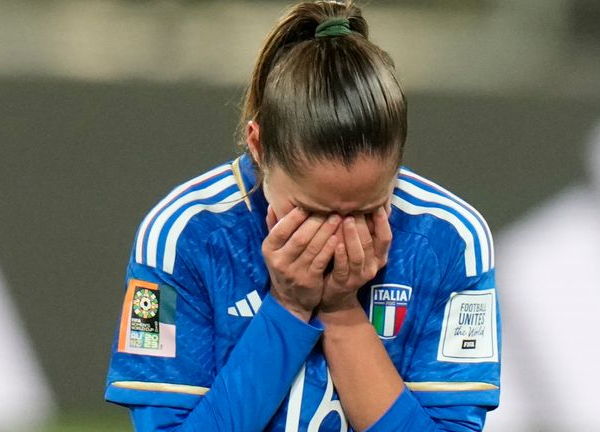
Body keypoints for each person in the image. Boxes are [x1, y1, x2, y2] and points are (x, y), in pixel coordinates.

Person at [104, 1, 500, 430]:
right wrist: (289, 306)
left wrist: (342, 312)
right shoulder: (181, 238)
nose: (339, 237)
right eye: (312, 212)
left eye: (368, 210)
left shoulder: (452, 241)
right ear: (258, 147)